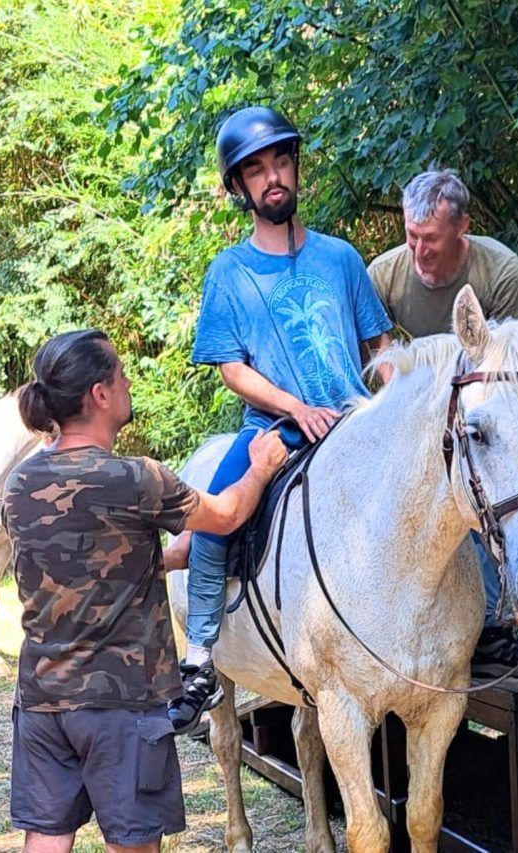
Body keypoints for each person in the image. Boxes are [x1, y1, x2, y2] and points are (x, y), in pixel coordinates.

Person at [2, 329, 287, 853]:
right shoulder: (136, 479)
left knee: (44, 840)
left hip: (43, 698)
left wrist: (170, 558)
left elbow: (94, 568)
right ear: (99, 394)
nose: (129, 382)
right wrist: (263, 467)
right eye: (120, 373)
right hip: (123, 705)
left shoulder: (21, 484)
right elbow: (225, 515)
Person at [176, 105, 393, 731]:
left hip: (355, 423)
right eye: (256, 170)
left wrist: (391, 398)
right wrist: (297, 407)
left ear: (295, 169)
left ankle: (478, 625)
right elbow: (231, 368)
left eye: (280, 162)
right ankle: (199, 655)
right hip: (275, 428)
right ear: (240, 188)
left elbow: (378, 348)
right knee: (217, 509)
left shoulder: (342, 259)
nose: (273, 178)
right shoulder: (229, 271)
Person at [367, 169, 518, 683]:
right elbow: (379, 355)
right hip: (419, 411)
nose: (419, 251)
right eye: (411, 236)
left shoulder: (500, 271)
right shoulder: (384, 274)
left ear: (462, 228)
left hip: (489, 402)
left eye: (432, 240)